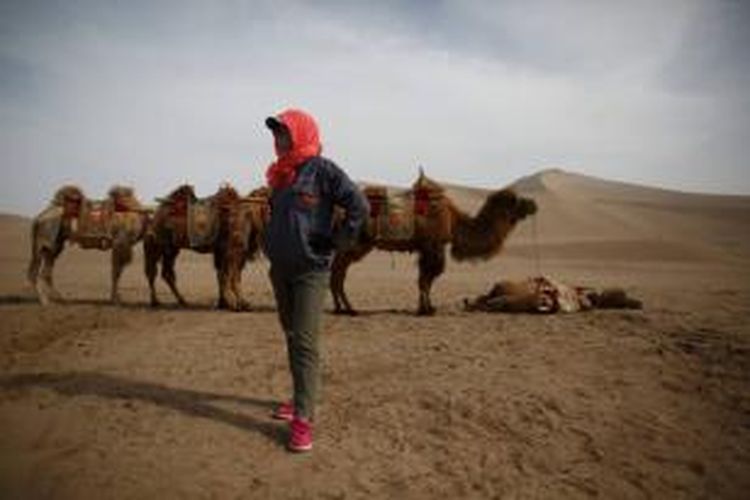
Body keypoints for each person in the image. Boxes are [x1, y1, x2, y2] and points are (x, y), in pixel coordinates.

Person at [263, 108, 368, 452]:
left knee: (305, 342)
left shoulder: (323, 170)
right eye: (276, 134)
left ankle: (303, 420)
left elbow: (359, 206)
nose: (279, 140)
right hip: (280, 270)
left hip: (310, 271)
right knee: (292, 336)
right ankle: (298, 398)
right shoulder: (281, 175)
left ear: (301, 134)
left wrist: (339, 240)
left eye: (285, 133)